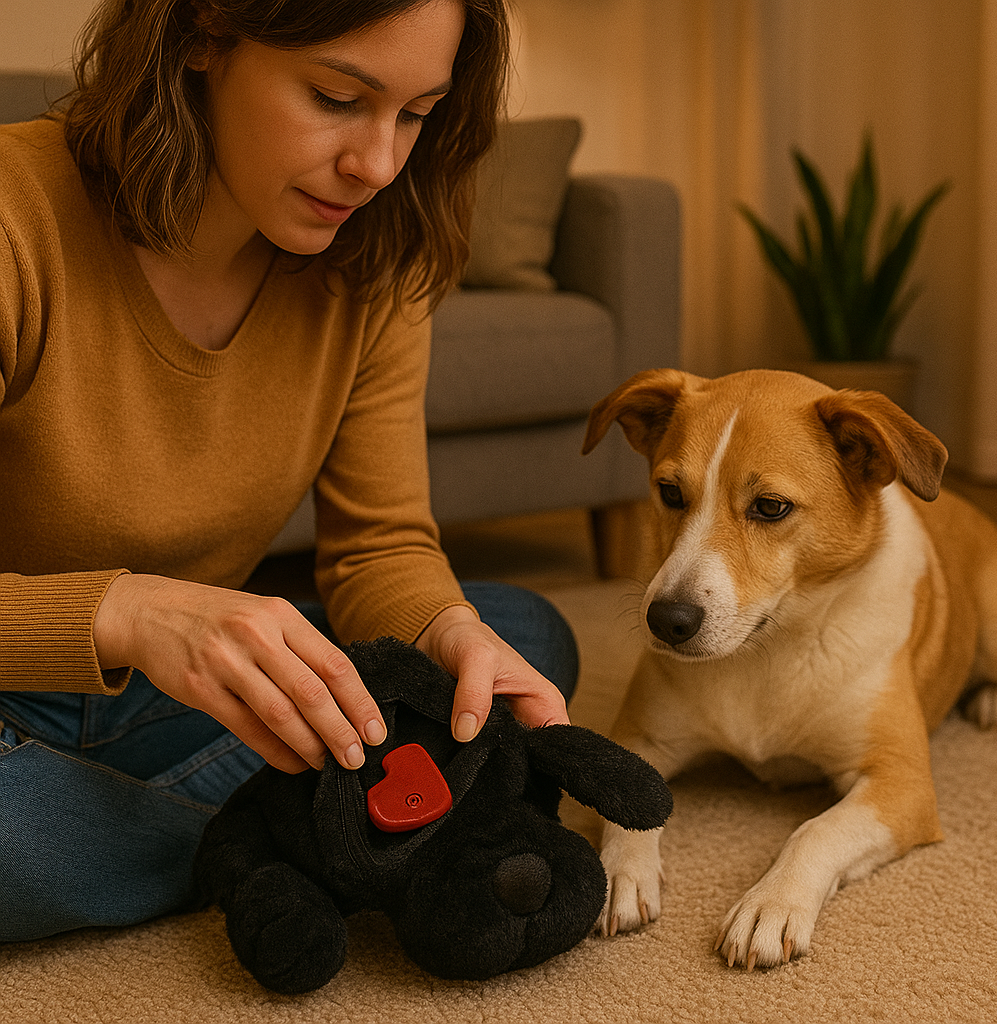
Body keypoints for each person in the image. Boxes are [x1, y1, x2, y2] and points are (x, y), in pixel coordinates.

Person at [0, 0, 578, 942]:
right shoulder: (13, 218)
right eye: (338, 97)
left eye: (416, 113)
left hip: (182, 696)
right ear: (199, 38)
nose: (379, 164)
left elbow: (380, 545)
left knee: (517, 642)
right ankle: (291, 839)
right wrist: (131, 612)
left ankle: (235, 841)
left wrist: (446, 633)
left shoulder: (377, 254)